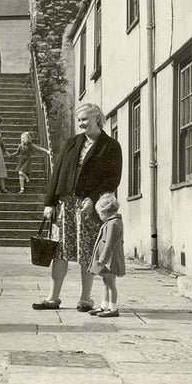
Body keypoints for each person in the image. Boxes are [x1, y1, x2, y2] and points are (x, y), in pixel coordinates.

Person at [32, 103, 122, 312]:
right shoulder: (72, 143)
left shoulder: (110, 146)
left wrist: (93, 198)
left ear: (97, 119)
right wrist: (49, 202)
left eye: (85, 119)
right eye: (79, 120)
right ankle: (53, 298)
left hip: (88, 207)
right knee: (59, 252)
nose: (81, 123)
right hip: (65, 205)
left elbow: (113, 179)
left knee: (87, 252)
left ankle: (85, 299)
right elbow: (57, 173)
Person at [88, 193, 126, 317]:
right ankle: (105, 306)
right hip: (105, 259)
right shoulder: (111, 222)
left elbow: (110, 244)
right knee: (105, 282)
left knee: (110, 284)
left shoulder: (113, 224)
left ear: (106, 211)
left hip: (109, 260)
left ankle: (113, 308)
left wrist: (102, 260)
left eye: (100, 213)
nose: (99, 216)